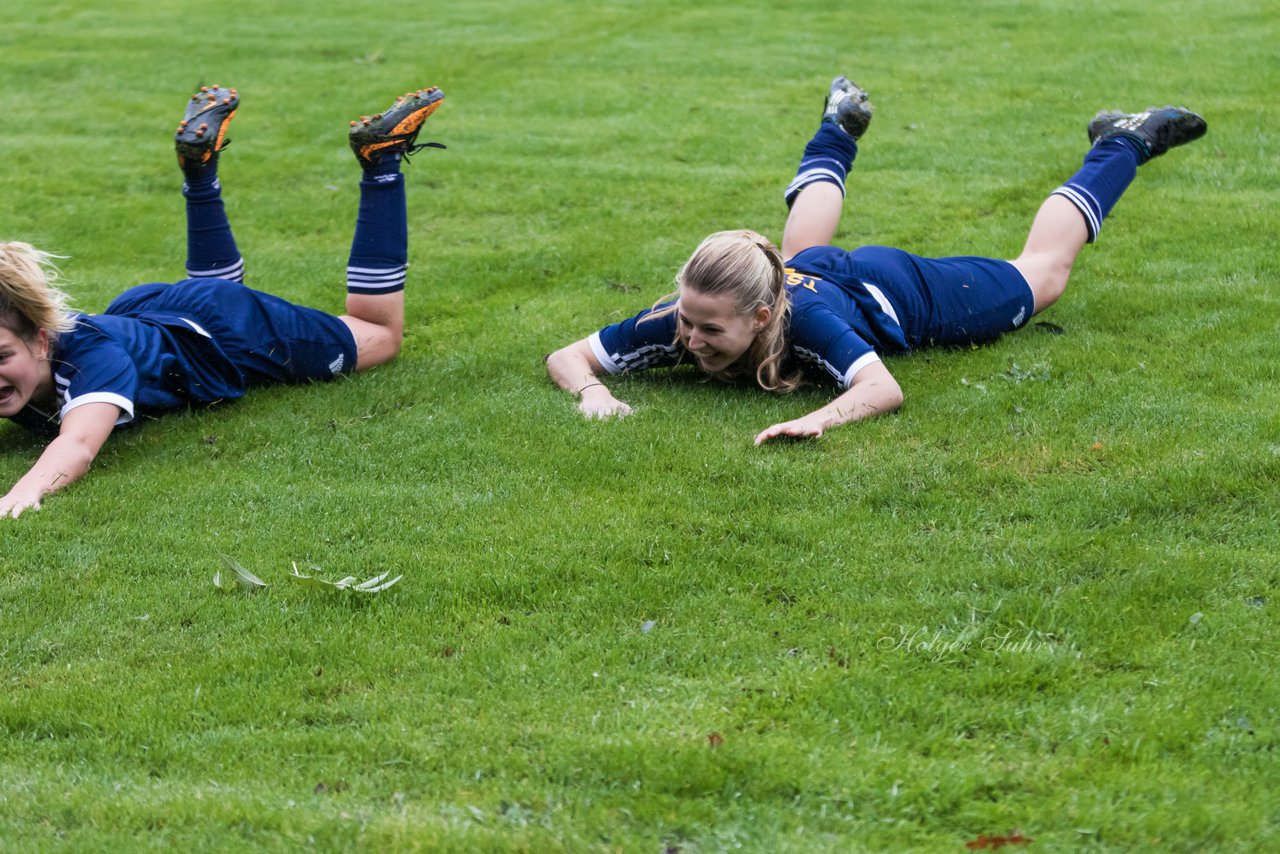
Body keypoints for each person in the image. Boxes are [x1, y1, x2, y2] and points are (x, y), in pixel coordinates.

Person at [546, 76, 1207, 445]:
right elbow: (567, 357)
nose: (688, 338)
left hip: (896, 290)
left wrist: (816, 419)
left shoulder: (803, 322)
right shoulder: (686, 315)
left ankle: (1122, 142)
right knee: (798, 255)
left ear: (762, 314)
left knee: (1043, 274)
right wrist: (595, 396)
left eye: (709, 330)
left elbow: (881, 389)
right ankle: (837, 126)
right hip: (814, 273)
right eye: (689, 321)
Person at [0, 82, 446, 517]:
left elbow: (77, 444)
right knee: (213, 305)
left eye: (2, 356)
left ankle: (382, 161)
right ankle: (199, 173)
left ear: (41, 341)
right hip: (154, 316)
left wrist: (20, 494)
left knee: (380, 334)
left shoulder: (89, 359)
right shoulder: (43, 351)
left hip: (228, 332)